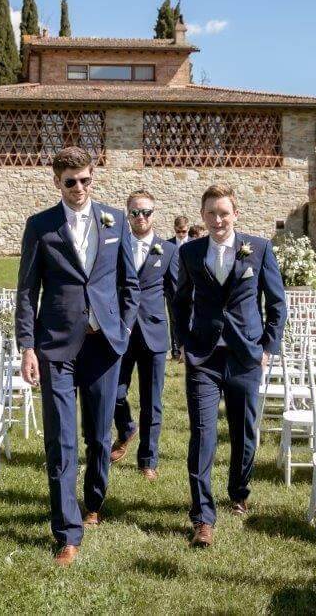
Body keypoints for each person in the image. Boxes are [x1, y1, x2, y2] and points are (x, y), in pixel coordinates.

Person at [15, 146, 140, 567]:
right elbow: (27, 291)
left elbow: (130, 284)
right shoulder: (40, 226)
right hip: (57, 346)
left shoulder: (115, 221)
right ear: (57, 182)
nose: (80, 188)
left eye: (86, 180)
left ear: (92, 177)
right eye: (71, 182)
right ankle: (67, 532)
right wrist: (28, 346)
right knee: (61, 440)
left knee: (100, 437)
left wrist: (122, 328)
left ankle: (94, 500)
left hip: (104, 344)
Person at [173, 184, 286, 548]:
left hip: (245, 355)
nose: (218, 220)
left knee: (244, 431)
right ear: (202, 216)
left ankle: (238, 491)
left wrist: (268, 346)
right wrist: (184, 341)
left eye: (224, 213)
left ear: (235, 214)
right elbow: (179, 300)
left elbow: (277, 303)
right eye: (211, 213)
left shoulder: (259, 249)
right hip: (204, 356)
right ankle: (202, 517)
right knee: (203, 434)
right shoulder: (190, 252)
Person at [111, 190, 179, 481]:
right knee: (114, 393)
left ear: (155, 213)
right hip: (121, 333)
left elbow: (176, 298)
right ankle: (126, 428)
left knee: (152, 402)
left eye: (146, 212)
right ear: (128, 215)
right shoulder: (114, 246)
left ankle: (147, 459)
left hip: (153, 333)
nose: (141, 217)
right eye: (135, 212)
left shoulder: (169, 250)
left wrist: (180, 342)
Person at [167, 215, 190, 358]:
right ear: (174, 229)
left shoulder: (194, 244)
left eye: (184, 231)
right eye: (178, 231)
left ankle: (189, 348)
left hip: (190, 289)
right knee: (174, 319)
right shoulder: (168, 245)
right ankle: (176, 350)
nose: (181, 235)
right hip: (172, 289)